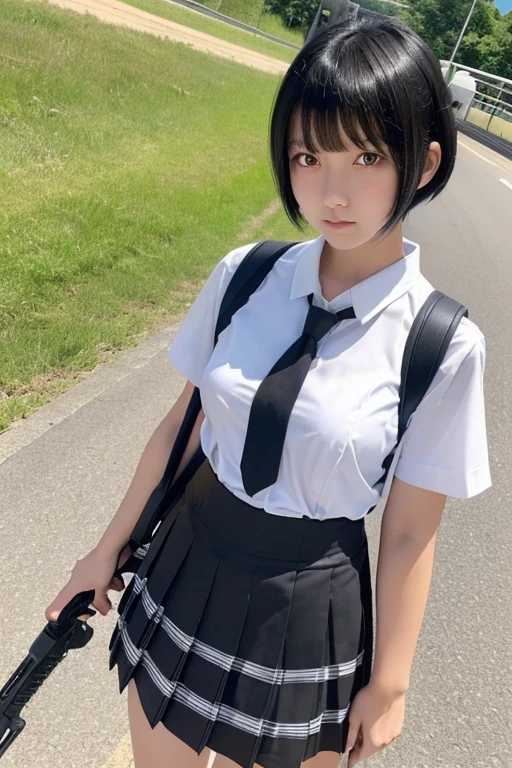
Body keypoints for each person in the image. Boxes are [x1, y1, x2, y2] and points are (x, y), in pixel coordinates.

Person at [46, 15, 492, 768]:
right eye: (308, 155)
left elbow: (413, 530)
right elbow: (181, 430)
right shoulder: (246, 275)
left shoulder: (441, 344)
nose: (332, 189)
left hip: (313, 608)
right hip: (189, 562)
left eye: (367, 154)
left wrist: (392, 682)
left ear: (422, 164)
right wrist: (103, 550)